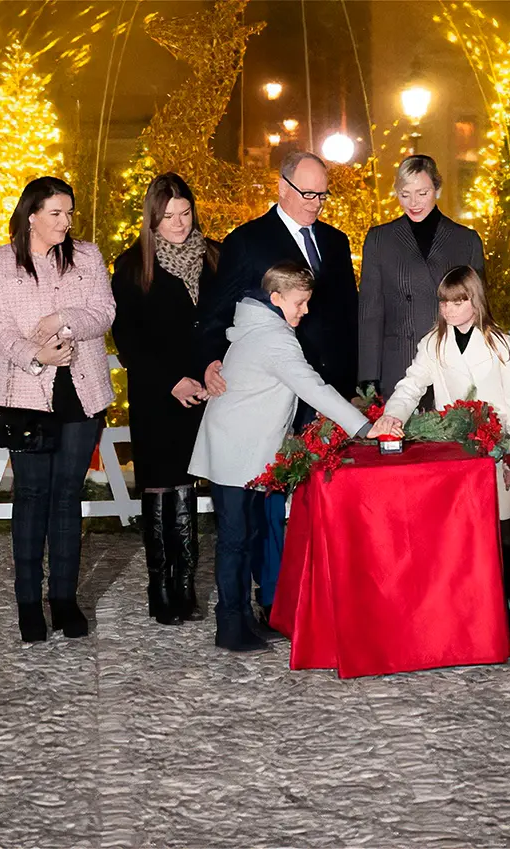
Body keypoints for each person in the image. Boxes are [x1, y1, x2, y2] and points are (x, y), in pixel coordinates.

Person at [196, 150, 360, 623]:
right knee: (266, 501)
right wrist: (208, 360)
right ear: (282, 187)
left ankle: (315, 591)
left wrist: (349, 385)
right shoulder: (246, 241)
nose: (317, 204)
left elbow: (346, 318)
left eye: (323, 194)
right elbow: (217, 311)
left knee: (319, 496)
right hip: (273, 393)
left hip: (324, 391)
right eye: (308, 193)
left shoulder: (335, 239)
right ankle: (273, 599)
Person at [189, 262, 372, 652]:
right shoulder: (274, 338)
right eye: (300, 303)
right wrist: (363, 428)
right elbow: (314, 389)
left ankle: (241, 619)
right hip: (236, 451)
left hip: (245, 450)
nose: (305, 311)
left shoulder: (260, 328)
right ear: (276, 299)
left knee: (247, 535)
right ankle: (229, 625)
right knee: (235, 540)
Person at [0, 176, 116, 643]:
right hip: (25, 395)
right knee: (32, 495)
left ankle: (64, 599)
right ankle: (27, 603)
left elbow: (103, 312)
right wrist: (38, 357)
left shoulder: (88, 256)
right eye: (56, 213)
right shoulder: (0, 261)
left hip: (81, 393)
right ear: (31, 214)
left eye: (70, 213)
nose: (66, 221)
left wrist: (63, 322)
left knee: (66, 496)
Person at [372, 266, 510, 636]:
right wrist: (391, 416)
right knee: (459, 530)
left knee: (505, 529)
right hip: (453, 452)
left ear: (474, 301)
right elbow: (412, 385)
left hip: (496, 449)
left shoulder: (501, 344)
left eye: (457, 302)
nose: (448, 309)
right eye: (443, 302)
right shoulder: (433, 343)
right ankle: (467, 602)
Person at [111, 173, 219, 627]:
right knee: (159, 484)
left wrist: (212, 368)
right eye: (168, 216)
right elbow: (127, 337)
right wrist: (171, 380)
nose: (178, 224)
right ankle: (160, 585)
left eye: (185, 213)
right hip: (158, 392)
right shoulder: (132, 264)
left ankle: (187, 583)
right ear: (152, 218)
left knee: (188, 485)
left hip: (208, 389)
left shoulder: (215, 256)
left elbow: (225, 320)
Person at [357, 155, 485, 398]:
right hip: (398, 365)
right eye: (405, 194)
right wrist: (368, 374)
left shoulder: (466, 240)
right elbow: (370, 311)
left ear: (437, 189)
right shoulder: (379, 240)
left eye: (422, 193)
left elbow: (478, 309)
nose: (413, 203)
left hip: (452, 362)